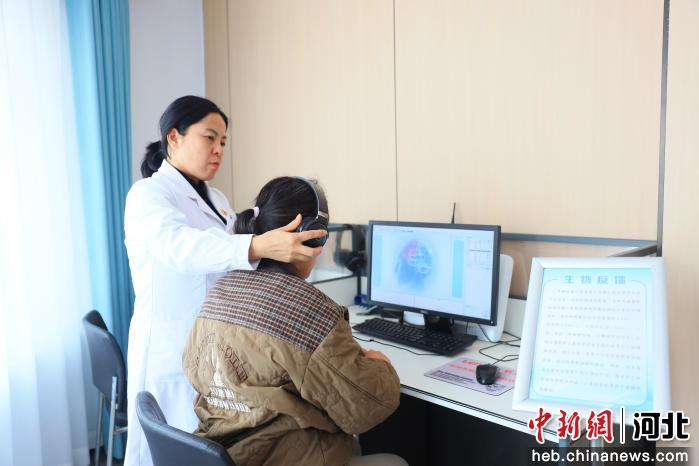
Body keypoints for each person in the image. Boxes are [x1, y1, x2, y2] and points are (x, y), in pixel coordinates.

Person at [123, 96, 327, 466]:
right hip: (171, 350)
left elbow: (233, 254)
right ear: (174, 137)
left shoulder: (216, 198)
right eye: (209, 138)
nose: (218, 150)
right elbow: (182, 248)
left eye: (223, 142)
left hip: (213, 347)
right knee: (176, 451)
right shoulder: (148, 195)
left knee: (208, 450)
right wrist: (257, 245)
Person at [182, 176, 406, 466]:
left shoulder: (220, 291)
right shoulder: (310, 312)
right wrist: (380, 367)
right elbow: (365, 407)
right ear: (311, 238)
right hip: (285, 457)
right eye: (323, 237)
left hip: (225, 455)